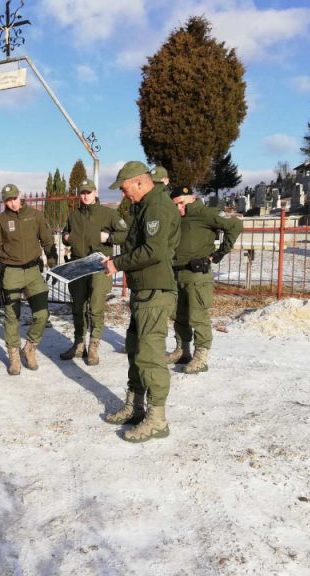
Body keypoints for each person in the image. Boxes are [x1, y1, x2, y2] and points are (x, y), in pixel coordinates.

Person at [102, 162, 180, 443]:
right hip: (143, 290)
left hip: (154, 291)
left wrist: (117, 264)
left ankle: (157, 419)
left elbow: (153, 250)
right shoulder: (146, 206)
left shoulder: (157, 206)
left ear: (139, 182)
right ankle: (135, 406)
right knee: (136, 350)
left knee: (149, 355)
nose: (124, 195)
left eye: (124, 189)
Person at [165, 187, 243, 374]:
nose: (179, 208)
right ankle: (182, 350)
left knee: (197, 316)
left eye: (182, 203)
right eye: (175, 205)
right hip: (177, 273)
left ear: (192, 198)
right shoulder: (176, 217)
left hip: (197, 275)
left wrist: (217, 255)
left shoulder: (206, 213)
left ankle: (201, 356)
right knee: (178, 315)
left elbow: (235, 225)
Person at [0, 183, 57, 375]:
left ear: (20, 196)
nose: (12, 203)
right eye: (8, 200)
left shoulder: (35, 216)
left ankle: (30, 347)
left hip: (33, 271)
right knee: (11, 316)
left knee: (42, 314)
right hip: (11, 272)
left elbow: (47, 240)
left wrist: (53, 262)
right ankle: (14, 355)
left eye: (14, 198)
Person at [60, 178, 128, 365]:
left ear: (95, 192)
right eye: (82, 192)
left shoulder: (108, 214)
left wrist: (109, 237)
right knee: (78, 307)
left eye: (88, 192)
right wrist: (66, 237)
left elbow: (125, 234)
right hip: (78, 265)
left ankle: (94, 346)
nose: (85, 196)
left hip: (99, 265)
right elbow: (65, 233)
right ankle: (79, 344)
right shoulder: (74, 216)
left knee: (95, 307)